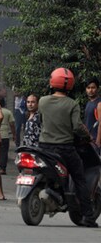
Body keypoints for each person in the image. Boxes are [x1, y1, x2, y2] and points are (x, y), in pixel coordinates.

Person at [37, 68, 97, 228]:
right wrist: (88, 137)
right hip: (65, 149)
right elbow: (77, 127)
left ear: (52, 81)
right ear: (70, 84)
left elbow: (41, 120)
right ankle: (88, 217)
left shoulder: (42, 101)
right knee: (80, 179)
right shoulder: (72, 104)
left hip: (43, 147)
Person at [84, 78, 100, 155]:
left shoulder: (99, 104)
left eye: (93, 88)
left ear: (97, 88)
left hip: (96, 142)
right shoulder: (88, 103)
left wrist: (98, 142)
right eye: (88, 88)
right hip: (89, 141)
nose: (90, 90)